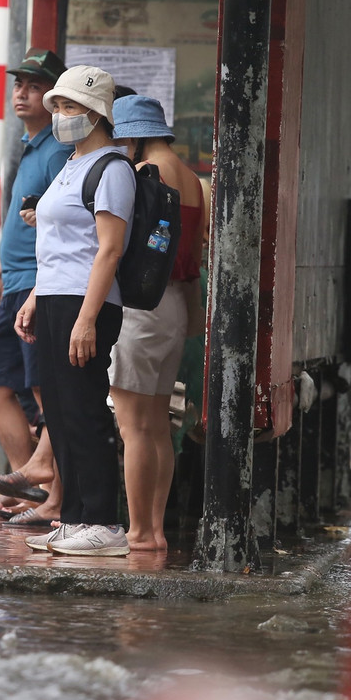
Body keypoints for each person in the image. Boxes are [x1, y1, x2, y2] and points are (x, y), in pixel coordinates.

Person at [15, 65, 135, 557]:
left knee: (85, 410)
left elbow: (108, 250)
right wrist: (34, 296)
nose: (61, 116)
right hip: (54, 297)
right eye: (59, 107)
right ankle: (74, 518)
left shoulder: (113, 168)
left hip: (87, 302)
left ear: (96, 113)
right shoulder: (71, 163)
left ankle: (104, 523)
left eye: (70, 107)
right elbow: (57, 243)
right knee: (59, 413)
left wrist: (87, 318)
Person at [0, 47, 70, 526]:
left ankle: (58, 493)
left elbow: (63, 224)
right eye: (18, 84)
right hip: (14, 284)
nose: (22, 93)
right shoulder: (29, 146)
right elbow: (21, 216)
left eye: (34, 85)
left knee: (47, 390)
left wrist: (31, 283)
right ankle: (25, 484)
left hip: (39, 286)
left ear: (54, 95)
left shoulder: (57, 150)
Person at [106, 94, 204, 552]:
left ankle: (140, 531)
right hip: (176, 306)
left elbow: (122, 244)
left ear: (136, 136)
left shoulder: (144, 175)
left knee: (133, 427)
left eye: (122, 137)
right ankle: (157, 530)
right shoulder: (192, 180)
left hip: (141, 307)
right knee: (160, 425)